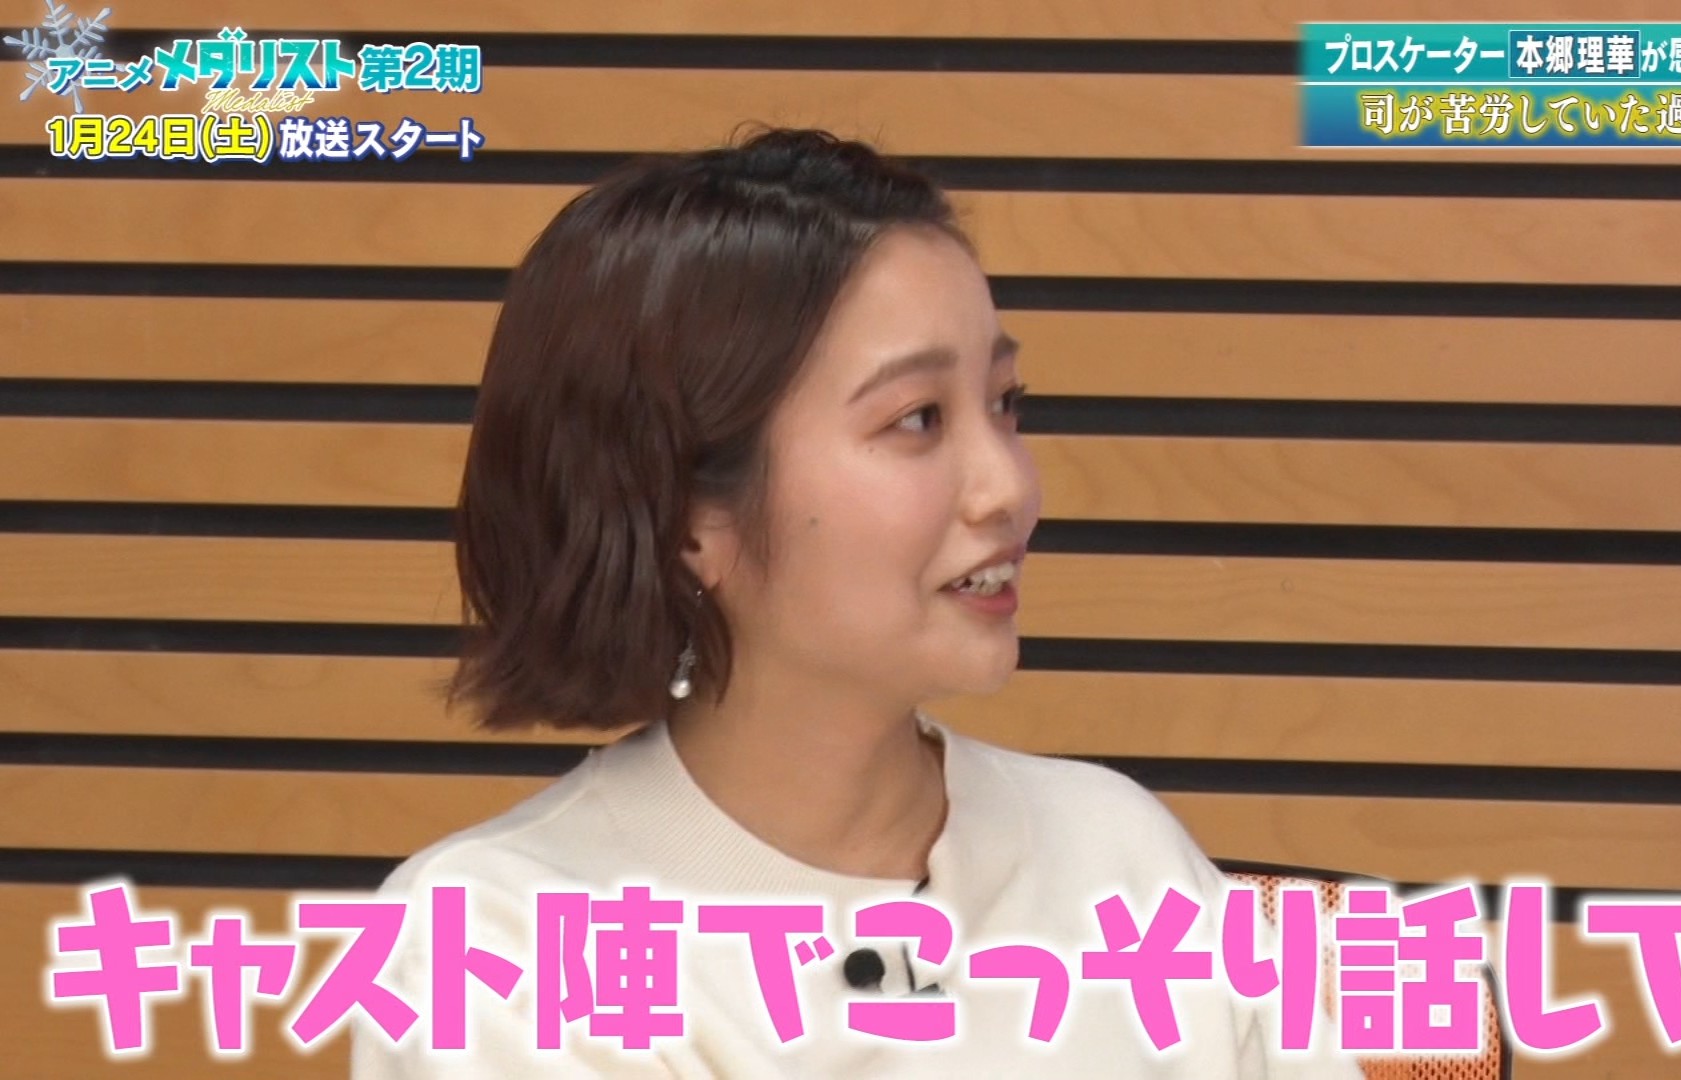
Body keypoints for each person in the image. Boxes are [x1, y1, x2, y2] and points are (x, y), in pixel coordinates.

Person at [348, 125, 1362, 1078]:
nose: (1008, 488)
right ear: (689, 515)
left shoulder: (1116, 848)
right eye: (917, 419)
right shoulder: (498, 945)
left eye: (1005, 404)